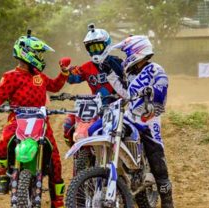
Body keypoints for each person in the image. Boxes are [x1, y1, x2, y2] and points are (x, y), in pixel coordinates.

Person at [0, 34, 70, 208]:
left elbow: (54, 86)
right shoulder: (11, 76)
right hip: (17, 120)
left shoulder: (39, 76)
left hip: (41, 122)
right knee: (3, 142)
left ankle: (58, 201)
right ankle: (3, 175)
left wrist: (63, 73)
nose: (41, 58)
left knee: (55, 159)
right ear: (27, 53)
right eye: (38, 54)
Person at [91, 35, 174, 208]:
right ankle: (99, 169)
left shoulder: (154, 69)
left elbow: (162, 85)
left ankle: (167, 201)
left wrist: (154, 98)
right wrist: (110, 73)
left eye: (126, 53)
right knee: (95, 129)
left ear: (136, 52)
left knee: (156, 154)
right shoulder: (131, 73)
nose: (125, 57)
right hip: (129, 114)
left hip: (147, 118)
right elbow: (126, 94)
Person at [63, 23, 124, 146]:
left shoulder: (118, 63)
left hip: (115, 106)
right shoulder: (86, 67)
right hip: (95, 106)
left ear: (106, 44)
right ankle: (79, 152)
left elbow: (128, 82)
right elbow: (73, 78)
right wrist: (66, 71)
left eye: (98, 46)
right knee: (69, 122)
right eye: (91, 48)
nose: (95, 51)